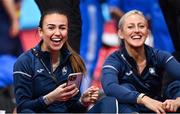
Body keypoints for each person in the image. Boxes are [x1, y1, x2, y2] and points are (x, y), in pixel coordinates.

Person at [13, 9, 99, 113]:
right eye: (51, 28)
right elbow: (22, 107)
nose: (57, 33)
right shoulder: (25, 61)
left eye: (62, 28)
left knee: (108, 103)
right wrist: (50, 98)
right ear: (41, 32)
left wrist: (82, 102)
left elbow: (72, 108)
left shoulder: (73, 60)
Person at [101, 10, 180, 113]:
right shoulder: (114, 60)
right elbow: (109, 87)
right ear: (120, 33)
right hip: (131, 109)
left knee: (174, 86)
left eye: (141, 26)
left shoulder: (160, 56)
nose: (137, 30)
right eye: (130, 27)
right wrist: (143, 99)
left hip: (160, 108)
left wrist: (178, 100)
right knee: (125, 88)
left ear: (147, 32)